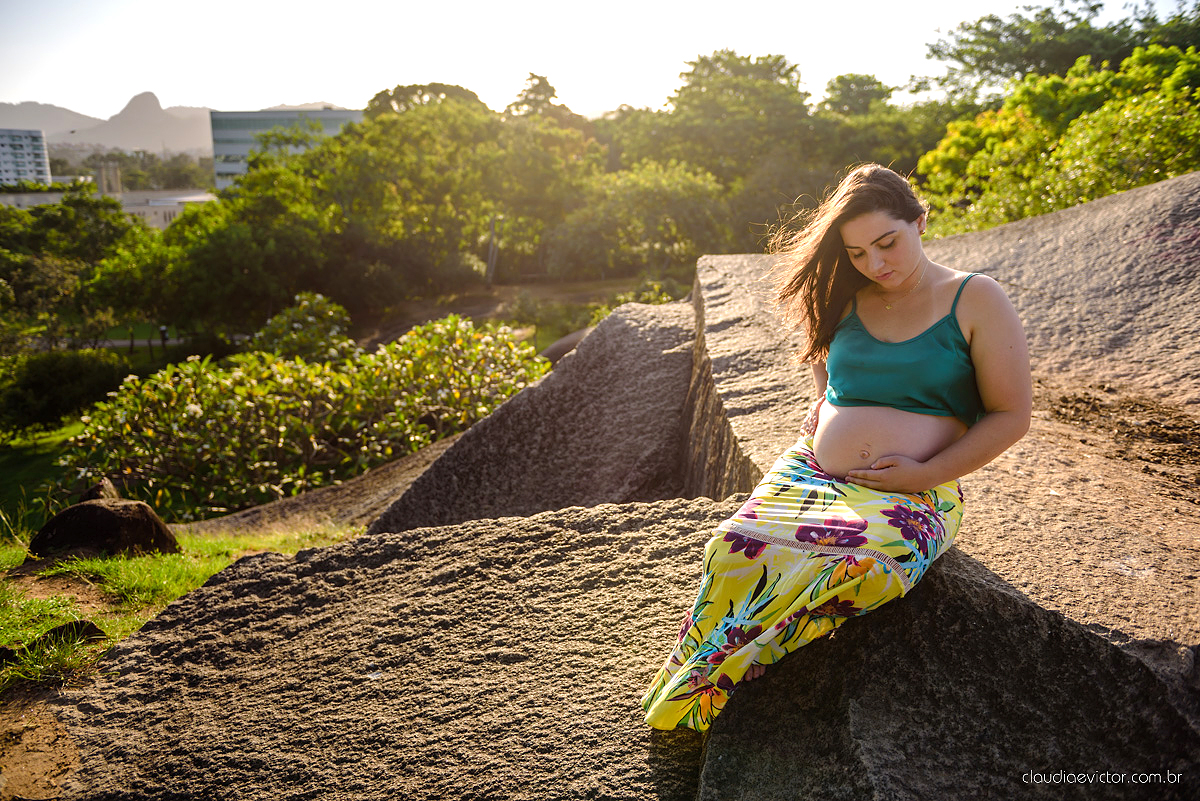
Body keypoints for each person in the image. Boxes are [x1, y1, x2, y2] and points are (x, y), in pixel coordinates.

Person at [641, 163, 1032, 732]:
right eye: (856, 253)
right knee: (732, 547)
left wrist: (922, 474)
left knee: (862, 565)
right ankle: (707, 676)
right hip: (813, 473)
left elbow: (1010, 415)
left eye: (887, 242)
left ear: (920, 221)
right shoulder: (847, 296)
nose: (875, 263)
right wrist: (825, 402)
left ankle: (749, 664)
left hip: (917, 489)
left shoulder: (974, 298)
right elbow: (827, 360)